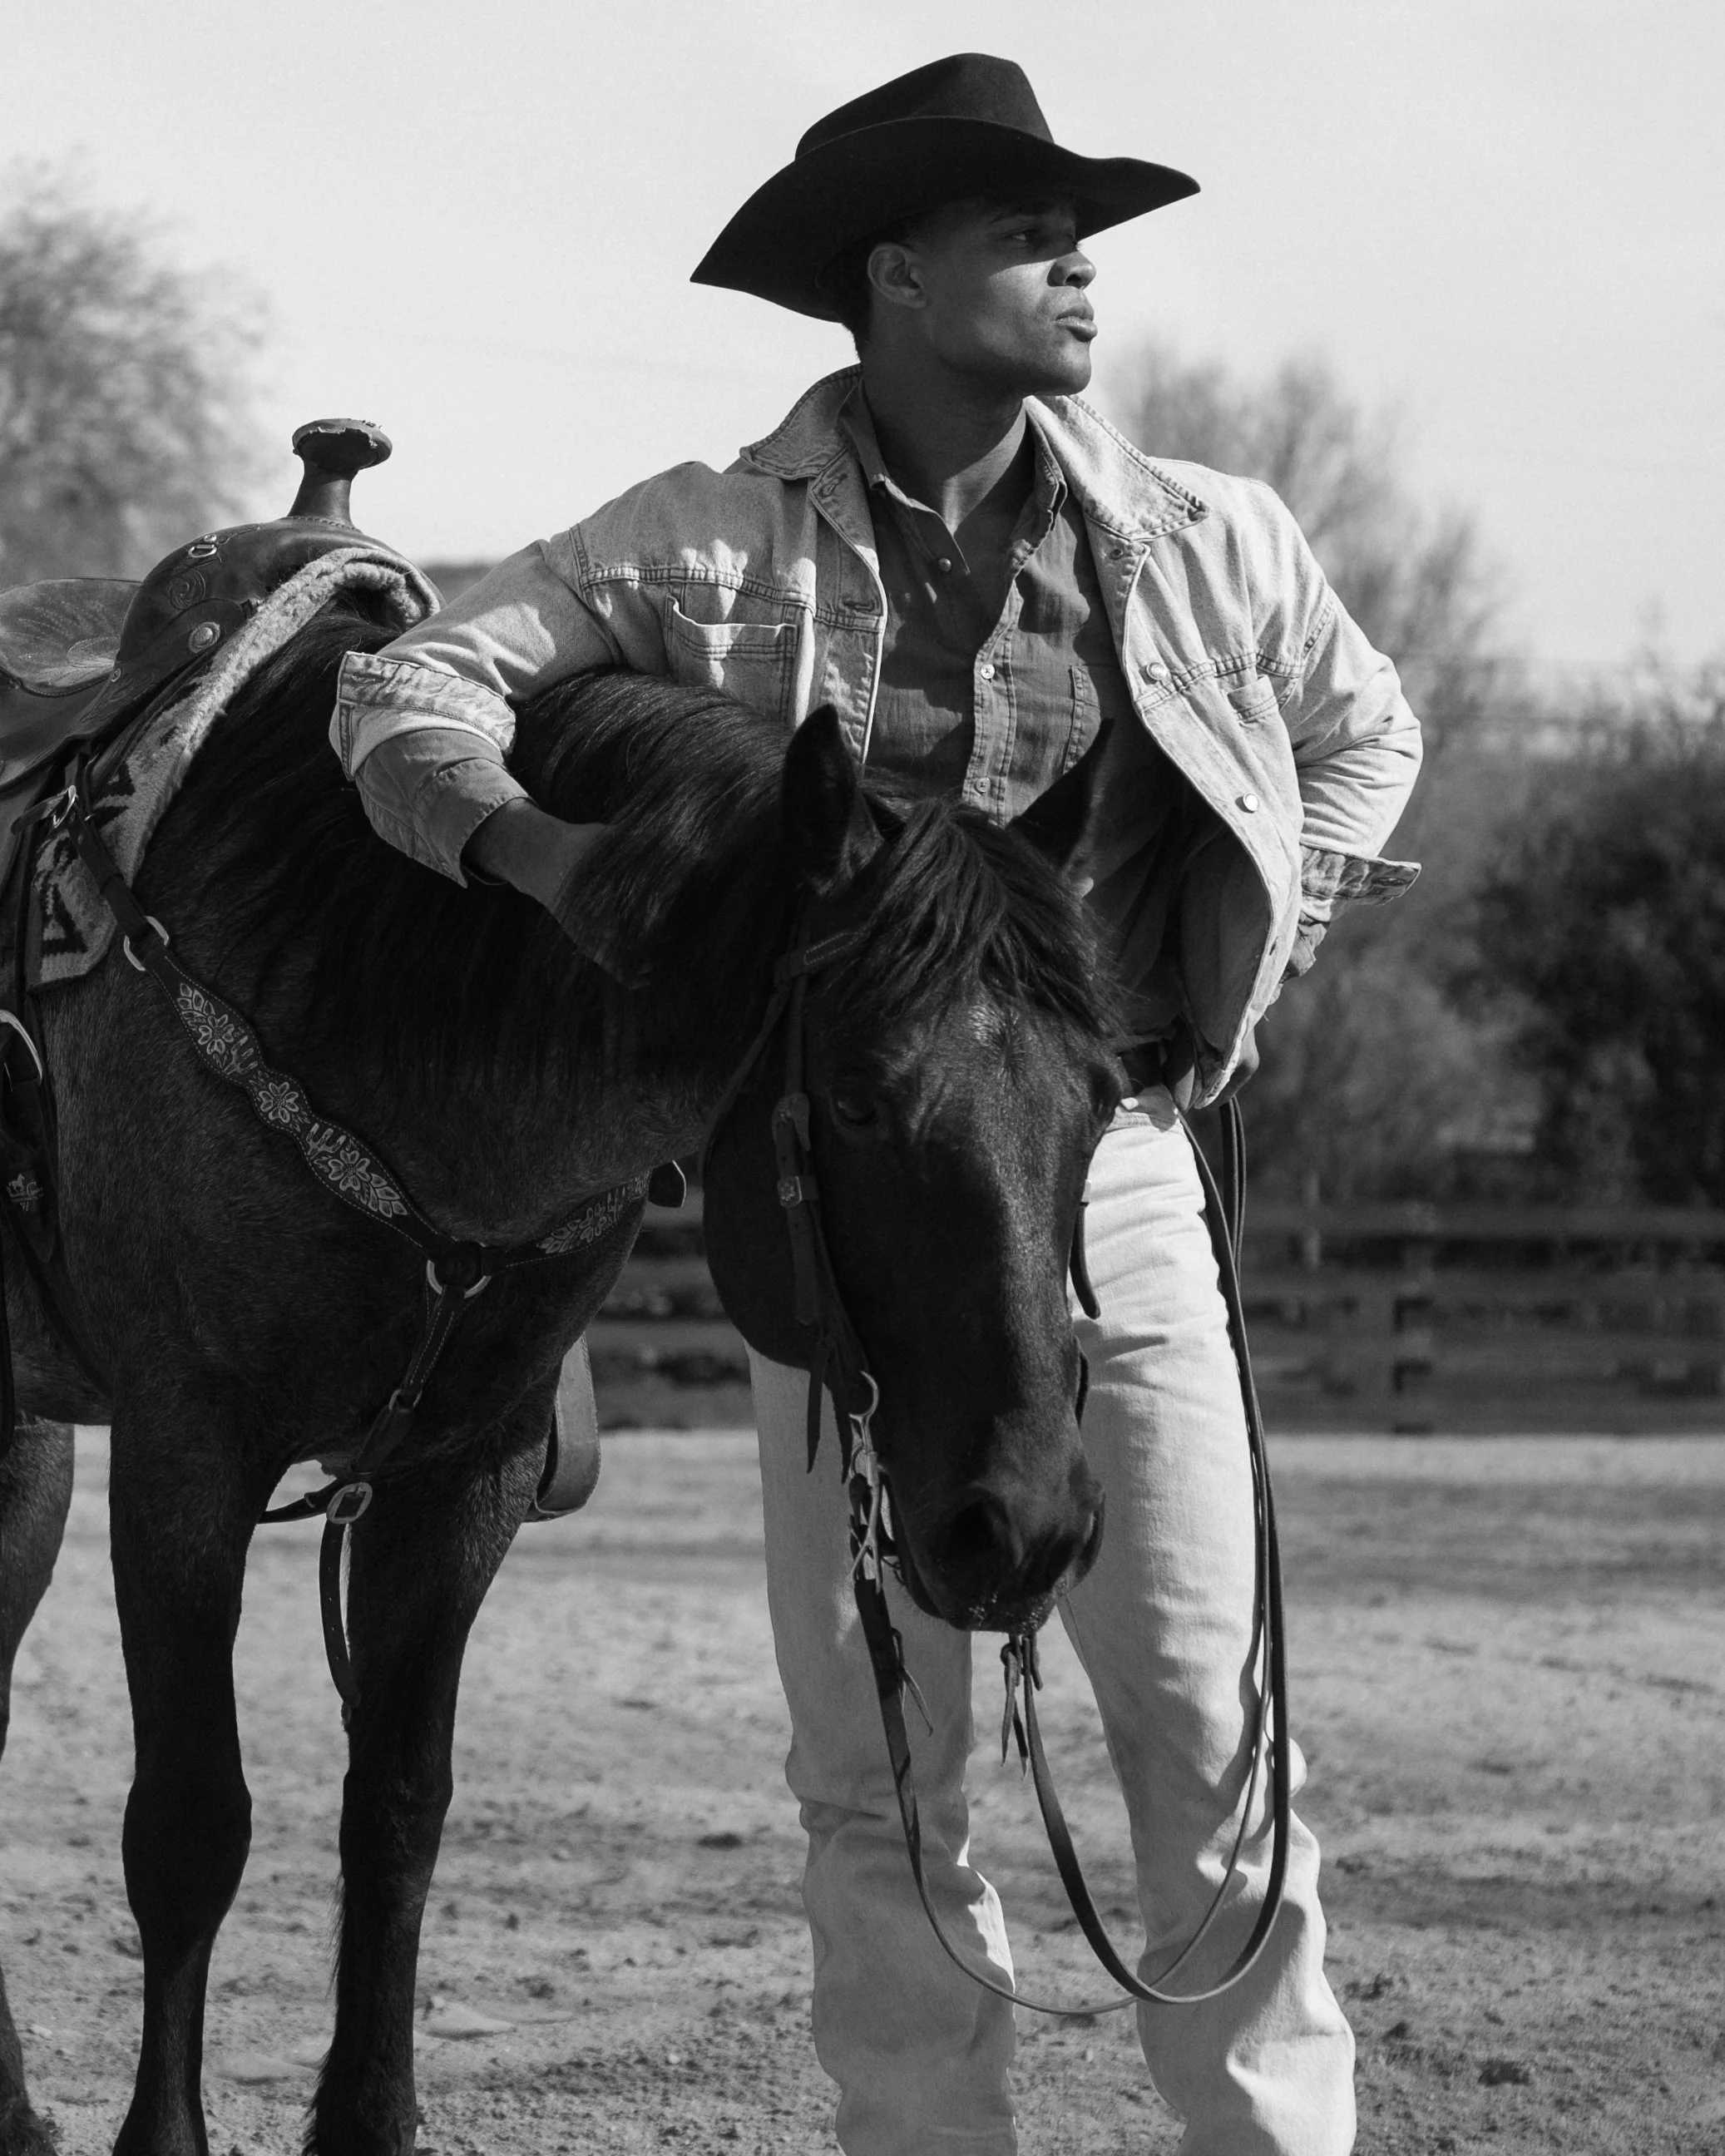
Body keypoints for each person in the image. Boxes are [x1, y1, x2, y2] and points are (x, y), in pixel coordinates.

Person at [329, 53, 1421, 2155]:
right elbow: (412, 675)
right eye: (1029, 233)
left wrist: (1239, 971)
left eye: (1073, 232)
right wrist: (538, 857)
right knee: (883, 1776)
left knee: (1208, 1731)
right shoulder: (700, 540)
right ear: (898, 281)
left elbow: (1362, 738)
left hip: (1100, 1173)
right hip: (832, 1199)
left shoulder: (1207, 538)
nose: (1079, 264)